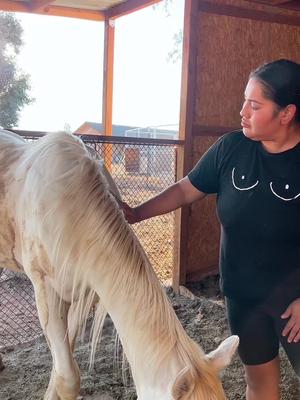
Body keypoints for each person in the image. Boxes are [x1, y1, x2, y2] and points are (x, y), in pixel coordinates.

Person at [121, 59, 300, 400]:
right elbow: (187, 189)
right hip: (243, 297)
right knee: (260, 384)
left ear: (286, 113)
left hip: (295, 299)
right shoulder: (231, 148)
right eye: (244, 100)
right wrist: (136, 213)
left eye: (255, 104)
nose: (242, 111)